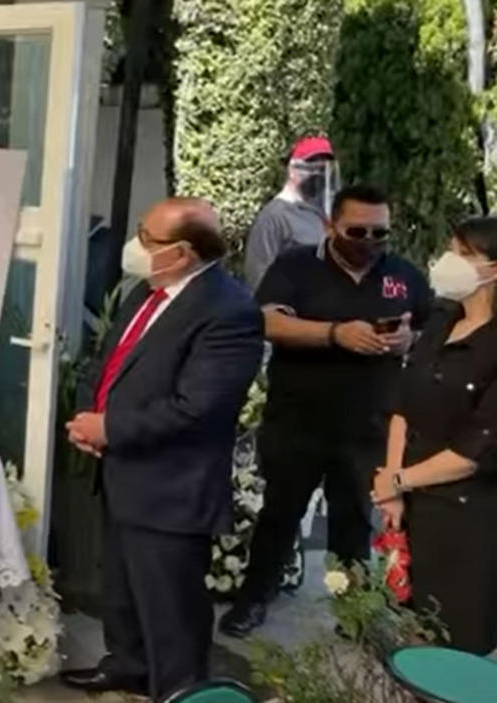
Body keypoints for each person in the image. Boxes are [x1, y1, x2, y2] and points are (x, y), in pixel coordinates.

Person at [60, 198, 264, 700]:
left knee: (171, 609)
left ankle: (179, 691)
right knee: (122, 590)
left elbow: (199, 408)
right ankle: (127, 667)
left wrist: (112, 428)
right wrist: (88, 420)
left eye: (148, 238)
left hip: (171, 486)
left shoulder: (229, 310)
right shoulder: (146, 291)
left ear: (183, 253)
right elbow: (107, 361)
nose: (135, 245)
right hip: (121, 471)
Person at [220, 185, 433, 638]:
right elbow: (268, 321)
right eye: (358, 231)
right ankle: (254, 598)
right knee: (280, 514)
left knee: (353, 522)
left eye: (380, 232)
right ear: (331, 225)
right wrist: (335, 334)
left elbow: (428, 329)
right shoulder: (297, 265)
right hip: (299, 418)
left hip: (367, 423)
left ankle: (352, 612)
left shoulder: (403, 275)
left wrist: (408, 340)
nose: (369, 241)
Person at [372, 217, 497, 655]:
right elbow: (403, 405)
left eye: (463, 254)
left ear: (493, 269)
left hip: (467, 516)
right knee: (412, 629)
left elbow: (472, 451)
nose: (447, 261)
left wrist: (398, 481)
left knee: (456, 640)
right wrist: (392, 484)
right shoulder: (442, 319)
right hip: (412, 503)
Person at [244, 135, 339, 290]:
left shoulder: (321, 214)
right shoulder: (274, 217)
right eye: (312, 164)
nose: (318, 173)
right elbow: (259, 277)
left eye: (323, 167)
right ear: (292, 169)